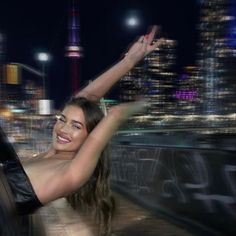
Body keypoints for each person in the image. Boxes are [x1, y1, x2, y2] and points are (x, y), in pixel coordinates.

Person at [0, 26, 163, 235]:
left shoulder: (74, 172)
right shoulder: (51, 153)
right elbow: (85, 98)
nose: (63, 129)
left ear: (90, 137)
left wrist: (146, 104)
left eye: (76, 126)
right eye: (62, 119)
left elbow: (116, 114)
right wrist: (128, 61)